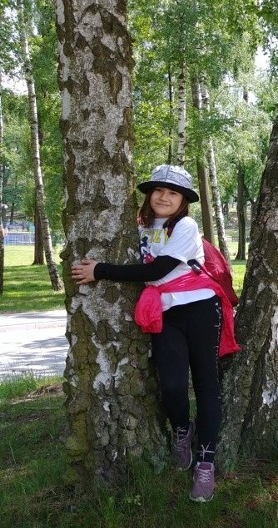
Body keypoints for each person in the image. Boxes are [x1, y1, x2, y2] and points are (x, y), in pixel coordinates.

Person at [71, 164, 238, 503]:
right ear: (149, 195)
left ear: (183, 200)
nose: (164, 196)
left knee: (207, 384)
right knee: (172, 383)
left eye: (172, 192)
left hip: (200, 309)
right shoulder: (138, 227)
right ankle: (181, 430)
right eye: (158, 190)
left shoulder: (187, 226)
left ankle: (205, 463)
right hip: (166, 314)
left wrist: (99, 271)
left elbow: (159, 269)